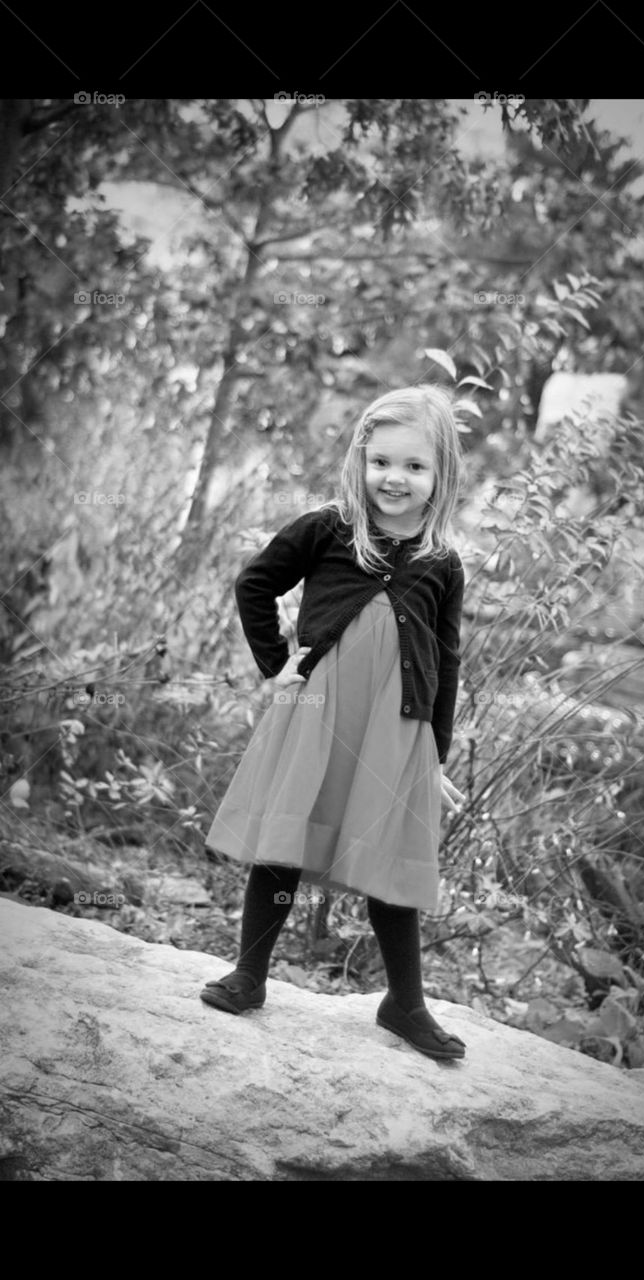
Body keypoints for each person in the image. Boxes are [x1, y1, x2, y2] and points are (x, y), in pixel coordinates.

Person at [201, 384, 468, 1060]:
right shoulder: (328, 527)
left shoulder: (442, 561)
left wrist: (432, 754)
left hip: (396, 728)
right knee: (285, 839)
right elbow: (254, 583)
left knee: (389, 864)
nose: (394, 479)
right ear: (360, 457)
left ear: (441, 476)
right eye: (382, 462)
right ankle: (249, 974)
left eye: (413, 467)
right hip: (318, 713)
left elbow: (445, 657)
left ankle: (403, 1004)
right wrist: (275, 664)